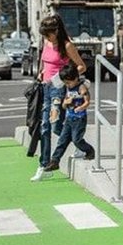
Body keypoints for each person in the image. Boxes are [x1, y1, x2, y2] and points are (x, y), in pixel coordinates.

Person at [31, 14, 87, 182]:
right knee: (45, 127)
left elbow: (81, 66)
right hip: (45, 88)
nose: (47, 38)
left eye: (49, 34)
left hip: (58, 89)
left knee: (55, 126)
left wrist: (64, 78)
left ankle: (79, 143)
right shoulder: (46, 43)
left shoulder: (67, 45)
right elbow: (44, 62)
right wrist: (41, 73)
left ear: (56, 31)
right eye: (44, 35)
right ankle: (44, 165)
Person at [46, 62, 95, 172]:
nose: (67, 85)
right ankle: (55, 161)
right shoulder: (68, 89)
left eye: (69, 82)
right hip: (69, 118)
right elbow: (64, 106)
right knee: (62, 140)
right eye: (65, 83)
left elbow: (87, 101)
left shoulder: (81, 88)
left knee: (76, 139)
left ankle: (89, 150)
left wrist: (81, 107)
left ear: (76, 78)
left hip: (79, 119)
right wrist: (66, 102)